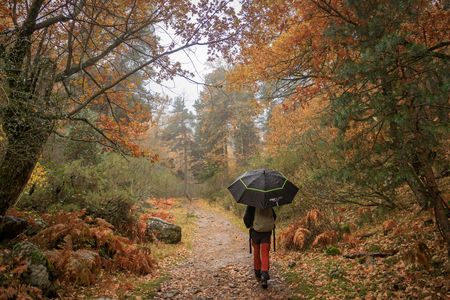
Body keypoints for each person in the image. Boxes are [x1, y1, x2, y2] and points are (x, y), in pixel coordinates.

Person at [243, 206, 276, 289]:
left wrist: (249, 225)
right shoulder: (267, 204)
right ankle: (264, 275)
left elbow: (246, 218)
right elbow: (274, 216)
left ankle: (258, 273)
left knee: (256, 253)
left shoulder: (252, 204)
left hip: (255, 232)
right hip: (266, 233)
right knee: (265, 253)